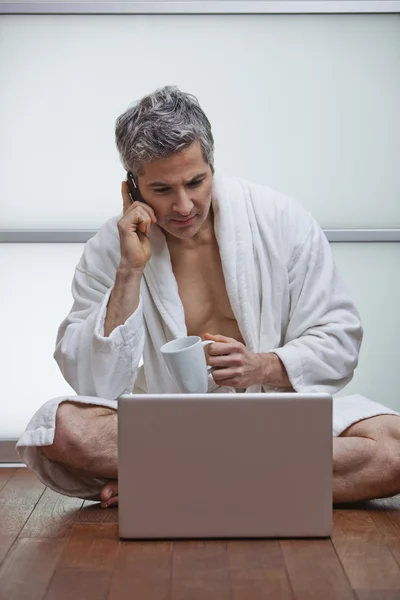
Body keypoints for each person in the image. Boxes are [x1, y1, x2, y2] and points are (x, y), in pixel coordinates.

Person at [16, 86, 400, 508]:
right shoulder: (113, 248)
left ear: (212, 165)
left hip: (275, 421)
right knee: (60, 427)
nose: (184, 205)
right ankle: (241, 479)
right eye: (162, 189)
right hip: (168, 427)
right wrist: (130, 270)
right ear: (132, 187)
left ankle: (175, 480)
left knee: (393, 450)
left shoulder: (279, 219)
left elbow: (340, 341)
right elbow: (95, 383)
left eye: (196, 182)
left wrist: (262, 365)